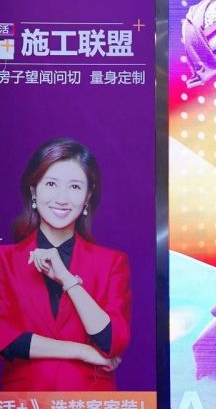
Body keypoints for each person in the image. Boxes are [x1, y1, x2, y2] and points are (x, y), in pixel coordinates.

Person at [0, 139, 130, 390]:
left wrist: (68, 279)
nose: (62, 198)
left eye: (74, 187)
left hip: (91, 403)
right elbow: (4, 337)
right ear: (33, 190)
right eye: (51, 184)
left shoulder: (112, 262)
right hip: (24, 405)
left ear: (88, 196)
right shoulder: (4, 261)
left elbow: (112, 342)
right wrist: (81, 351)